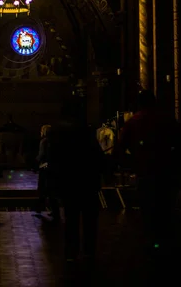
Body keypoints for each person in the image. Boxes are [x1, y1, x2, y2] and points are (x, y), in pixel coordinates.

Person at [113, 90, 181, 252]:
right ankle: (165, 238)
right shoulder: (167, 119)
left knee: (148, 206)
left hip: (145, 170)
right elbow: (180, 142)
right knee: (165, 206)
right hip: (167, 169)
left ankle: (152, 239)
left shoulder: (134, 122)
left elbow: (120, 147)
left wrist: (130, 161)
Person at [53, 100, 105, 263]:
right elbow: (96, 156)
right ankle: (89, 251)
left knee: (71, 219)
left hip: (68, 182)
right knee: (90, 219)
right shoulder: (86, 131)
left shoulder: (58, 133)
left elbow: (55, 159)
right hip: (88, 181)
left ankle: (71, 251)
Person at [35, 124, 60, 220]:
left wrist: (35, 162)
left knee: (43, 188)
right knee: (51, 191)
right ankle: (55, 211)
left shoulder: (44, 141)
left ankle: (40, 207)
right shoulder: (55, 141)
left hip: (44, 167)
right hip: (53, 168)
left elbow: (41, 155)